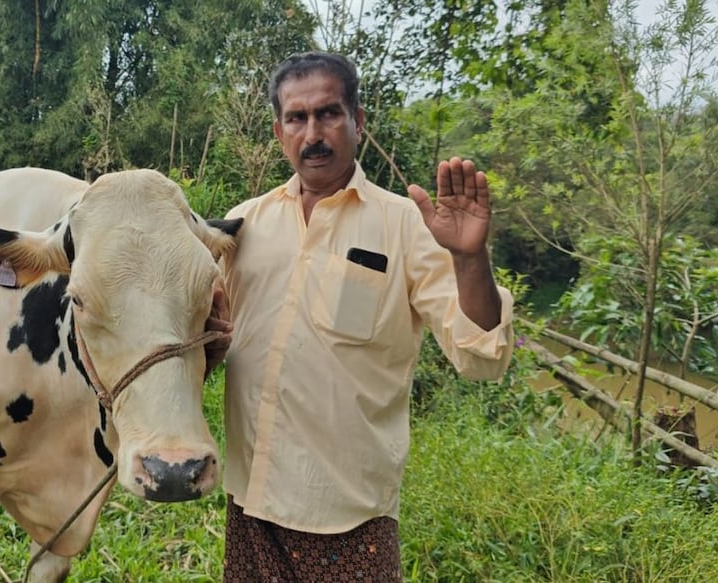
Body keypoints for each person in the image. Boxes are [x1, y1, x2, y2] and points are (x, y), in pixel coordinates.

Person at [203, 51, 515, 581]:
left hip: (349, 516)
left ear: (358, 121)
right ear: (279, 130)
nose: (313, 134)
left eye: (328, 114)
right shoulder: (241, 225)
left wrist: (468, 258)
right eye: (297, 119)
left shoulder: (405, 226)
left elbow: (480, 355)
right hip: (251, 498)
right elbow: (203, 335)